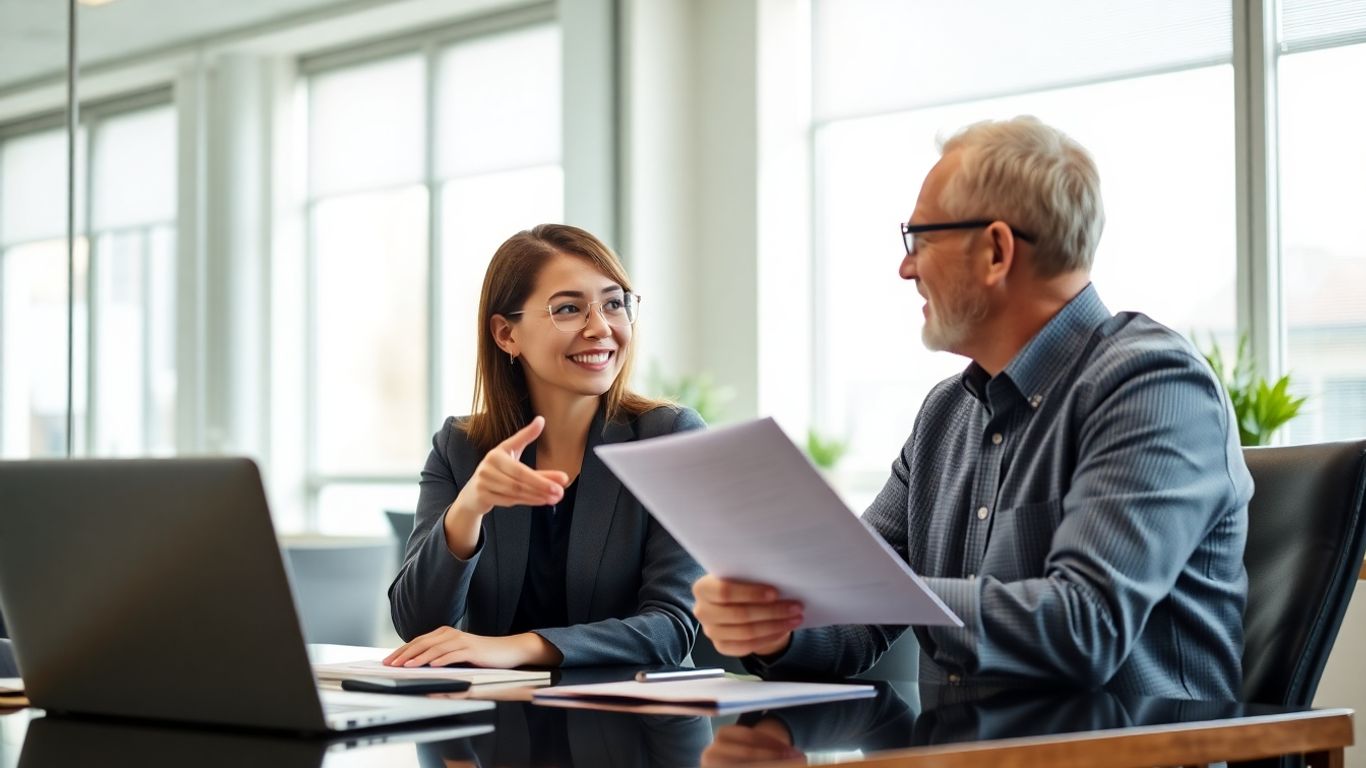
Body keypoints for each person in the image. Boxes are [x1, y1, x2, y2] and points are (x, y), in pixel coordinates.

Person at [692, 116, 1253, 699]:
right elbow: (857, 620)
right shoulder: (945, 414)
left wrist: (876, 586)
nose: (906, 267)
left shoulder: (1152, 385)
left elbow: (1086, 626)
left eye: (922, 239)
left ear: (995, 250)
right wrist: (776, 625)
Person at [387, 224, 704, 668]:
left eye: (614, 304)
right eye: (569, 309)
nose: (600, 328)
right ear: (505, 334)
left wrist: (517, 647)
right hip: (498, 723)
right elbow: (416, 624)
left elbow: (673, 628)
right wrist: (469, 507)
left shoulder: (669, 436)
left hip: (639, 723)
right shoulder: (460, 447)